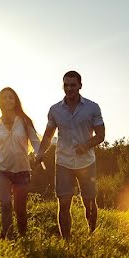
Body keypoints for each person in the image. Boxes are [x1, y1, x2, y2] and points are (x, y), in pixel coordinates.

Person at [38, 71, 105, 240]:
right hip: (63, 162)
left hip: (86, 162)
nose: (69, 88)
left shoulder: (92, 107)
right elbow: (47, 136)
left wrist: (86, 145)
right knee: (64, 202)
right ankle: (67, 241)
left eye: (73, 85)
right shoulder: (54, 110)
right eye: (66, 85)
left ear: (80, 86)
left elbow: (101, 135)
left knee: (89, 202)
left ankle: (91, 234)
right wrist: (40, 152)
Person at [0, 87, 42, 238]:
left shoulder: (24, 121)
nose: (7, 100)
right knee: (5, 204)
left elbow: (35, 141)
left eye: (11, 97)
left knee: (20, 209)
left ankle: (23, 237)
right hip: (1, 170)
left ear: (15, 100)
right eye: (4, 98)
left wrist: (39, 154)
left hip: (22, 170)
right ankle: (8, 237)